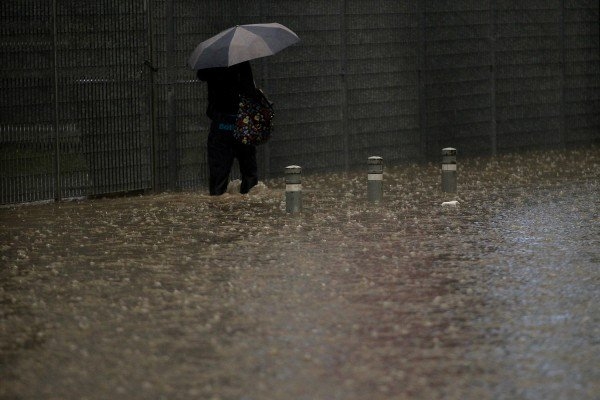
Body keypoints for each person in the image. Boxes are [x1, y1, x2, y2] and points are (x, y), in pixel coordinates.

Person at [197, 61, 259, 195]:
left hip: (221, 124)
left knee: (218, 176)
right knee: (249, 173)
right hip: (242, 123)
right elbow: (250, 93)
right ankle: (250, 206)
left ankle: (217, 211)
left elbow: (200, 75)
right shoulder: (242, 62)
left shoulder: (212, 62)